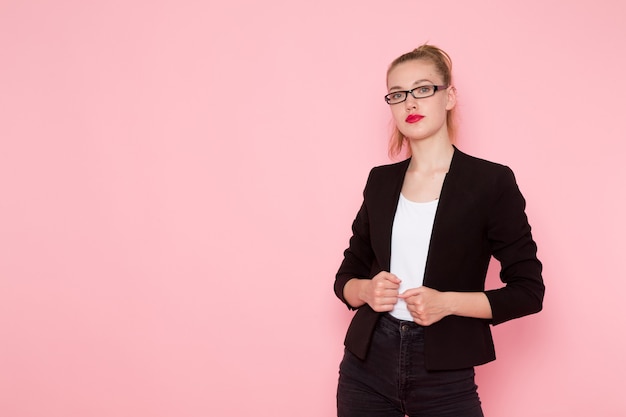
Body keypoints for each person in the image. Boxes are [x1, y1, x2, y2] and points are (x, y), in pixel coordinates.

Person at [334, 44, 545, 417]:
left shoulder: (490, 182)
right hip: (365, 366)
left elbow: (528, 292)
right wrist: (365, 290)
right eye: (398, 95)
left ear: (449, 96)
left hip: (444, 373)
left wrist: (446, 302)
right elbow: (346, 276)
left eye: (423, 89)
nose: (410, 103)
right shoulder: (380, 182)